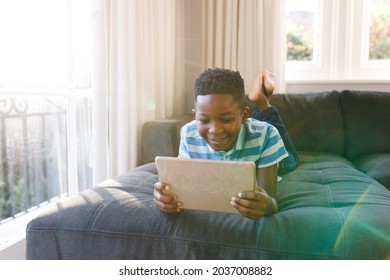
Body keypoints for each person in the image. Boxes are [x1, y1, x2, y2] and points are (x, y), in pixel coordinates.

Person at [154, 68, 297, 220]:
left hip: (270, 156)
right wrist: (164, 198)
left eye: (225, 120)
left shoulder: (267, 135)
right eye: (204, 120)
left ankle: (263, 102)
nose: (215, 131)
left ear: (244, 115)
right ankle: (258, 101)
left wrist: (268, 204)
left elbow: (271, 201)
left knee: (292, 159)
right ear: (195, 115)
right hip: (244, 126)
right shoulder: (188, 133)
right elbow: (182, 185)